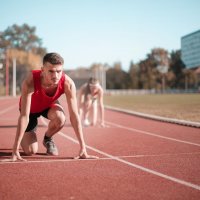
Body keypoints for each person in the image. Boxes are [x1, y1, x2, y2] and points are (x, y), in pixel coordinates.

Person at [10, 52, 97, 161]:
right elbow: (24, 116)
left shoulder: (68, 84)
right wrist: (15, 149)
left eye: (59, 71)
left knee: (60, 118)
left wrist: (83, 147)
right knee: (30, 151)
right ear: (42, 70)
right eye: (51, 71)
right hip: (30, 111)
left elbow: (74, 115)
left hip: (48, 105)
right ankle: (25, 136)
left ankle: (48, 138)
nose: (55, 76)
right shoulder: (30, 81)